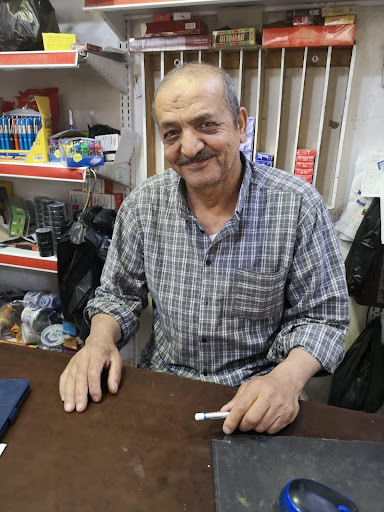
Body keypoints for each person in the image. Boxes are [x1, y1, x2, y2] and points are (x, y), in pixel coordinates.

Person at [59, 63, 349, 435]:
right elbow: (118, 295)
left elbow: (322, 317)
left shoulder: (297, 206)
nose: (190, 147)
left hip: (257, 394)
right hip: (165, 384)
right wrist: (98, 341)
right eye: (172, 133)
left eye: (207, 125)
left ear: (241, 124)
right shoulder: (143, 206)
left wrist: (287, 380)